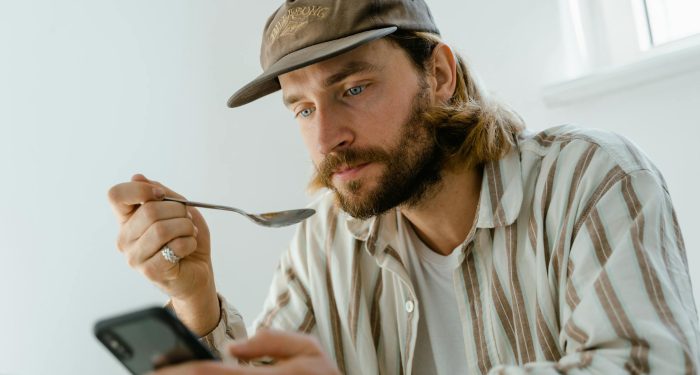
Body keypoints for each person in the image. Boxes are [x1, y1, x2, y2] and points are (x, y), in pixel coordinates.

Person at [107, 0, 700, 374]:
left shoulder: (592, 181)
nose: (326, 138)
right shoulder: (327, 243)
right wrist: (195, 298)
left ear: (438, 74)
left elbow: (646, 367)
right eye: (303, 110)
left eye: (354, 88)